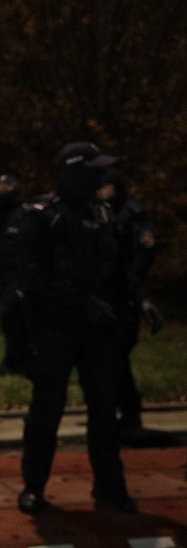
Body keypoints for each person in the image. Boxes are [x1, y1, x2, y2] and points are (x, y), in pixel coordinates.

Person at [16, 142, 136, 515]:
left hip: (98, 331)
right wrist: (81, 302)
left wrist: (133, 302)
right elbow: (32, 275)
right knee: (46, 411)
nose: (102, 177)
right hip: (56, 328)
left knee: (104, 409)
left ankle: (110, 485)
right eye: (94, 170)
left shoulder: (103, 213)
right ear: (73, 172)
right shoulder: (42, 215)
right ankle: (33, 486)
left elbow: (116, 269)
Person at [96, 167, 163, 435]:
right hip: (111, 294)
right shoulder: (104, 210)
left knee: (116, 359)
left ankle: (129, 414)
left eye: (105, 186)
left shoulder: (134, 214)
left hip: (125, 296)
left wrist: (139, 295)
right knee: (111, 360)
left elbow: (141, 257)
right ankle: (122, 412)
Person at [0, 174, 29, 376]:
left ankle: (15, 362)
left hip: (19, 275)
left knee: (10, 317)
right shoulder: (0, 213)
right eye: (0, 185)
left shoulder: (22, 213)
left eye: (6, 185)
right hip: (5, 275)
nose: (1, 189)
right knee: (13, 319)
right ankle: (16, 360)